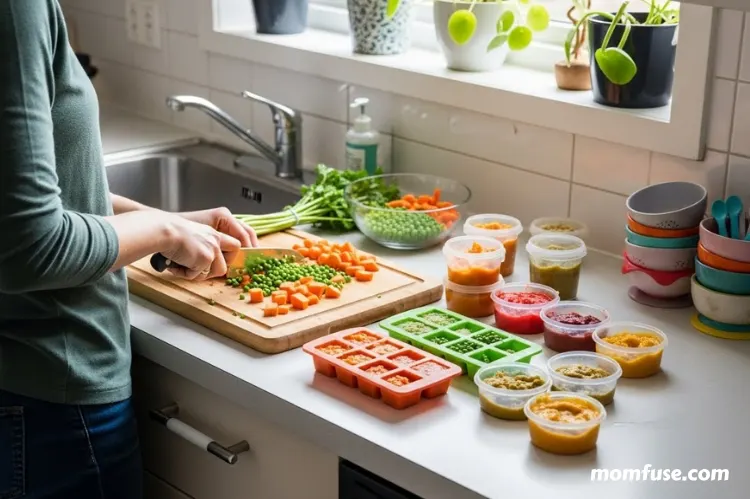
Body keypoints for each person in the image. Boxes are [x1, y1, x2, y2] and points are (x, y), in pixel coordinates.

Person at [0, 1, 257, 497]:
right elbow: (28, 246)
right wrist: (161, 234)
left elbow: (36, 198)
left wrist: (166, 222)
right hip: (52, 401)